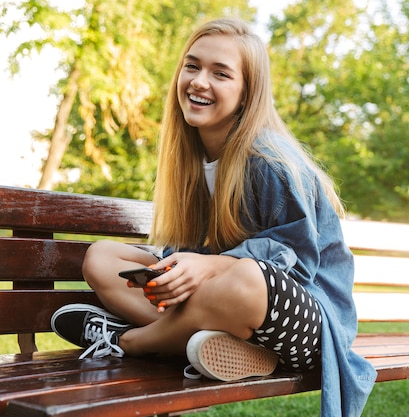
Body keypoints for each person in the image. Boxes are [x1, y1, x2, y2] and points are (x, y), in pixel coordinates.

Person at [50, 17, 376, 416]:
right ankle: (219, 344)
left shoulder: (270, 161)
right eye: (192, 66)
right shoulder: (190, 159)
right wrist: (178, 268)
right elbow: (190, 251)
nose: (199, 82)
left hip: (302, 320)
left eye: (220, 73)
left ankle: (130, 341)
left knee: (247, 280)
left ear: (246, 94)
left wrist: (210, 266)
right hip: (222, 304)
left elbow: (299, 261)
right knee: (102, 258)